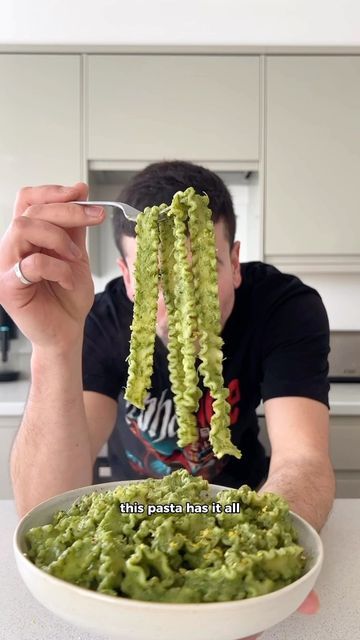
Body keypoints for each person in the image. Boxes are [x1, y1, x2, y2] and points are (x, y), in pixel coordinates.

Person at [0, 161, 332, 630]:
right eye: (158, 275)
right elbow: (43, 509)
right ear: (128, 276)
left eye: (204, 271)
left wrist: (258, 552)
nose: (182, 303)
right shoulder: (101, 317)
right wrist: (53, 347)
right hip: (132, 511)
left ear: (235, 262)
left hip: (239, 501)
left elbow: (303, 459)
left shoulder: (284, 308)